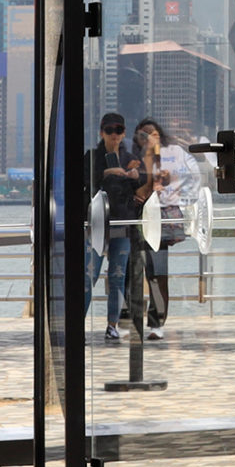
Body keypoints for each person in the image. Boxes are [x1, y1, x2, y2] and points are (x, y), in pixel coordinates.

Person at [87, 114, 145, 342]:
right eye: (109, 130)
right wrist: (106, 173)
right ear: (101, 132)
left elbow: (143, 188)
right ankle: (76, 323)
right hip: (96, 225)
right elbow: (84, 183)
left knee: (118, 276)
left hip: (122, 224)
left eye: (118, 130)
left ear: (123, 133)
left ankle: (112, 325)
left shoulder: (130, 159)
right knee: (88, 276)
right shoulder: (92, 157)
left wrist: (135, 177)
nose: (114, 135)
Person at [129, 119, 187, 340]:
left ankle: (157, 322)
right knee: (133, 272)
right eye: (143, 135)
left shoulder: (171, 154)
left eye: (152, 134)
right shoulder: (134, 157)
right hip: (137, 216)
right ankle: (130, 320)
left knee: (158, 273)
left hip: (162, 216)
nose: (148, 138)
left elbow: (173, 179)